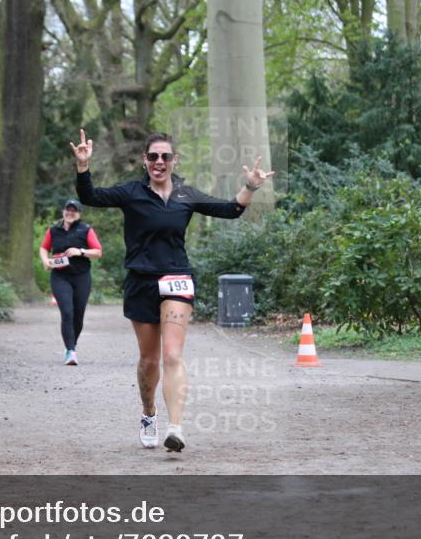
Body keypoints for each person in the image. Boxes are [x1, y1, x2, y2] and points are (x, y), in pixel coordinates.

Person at [69, 129, 274, 451]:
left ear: (174, 160)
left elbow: (231, 209)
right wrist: (83, 166)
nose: (159, 162)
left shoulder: (185, 195)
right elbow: (91, 197)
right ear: (144, 161)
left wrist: (250, 186)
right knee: (149, 360)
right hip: (141, 281)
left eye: (165, 156)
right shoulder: (132, 192)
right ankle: (149, 413)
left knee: (173, 355)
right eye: (153, 157)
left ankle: (176, 427)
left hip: (177, 278)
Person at [39, 198, 103, 365]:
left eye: (74, 211)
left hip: (81, 277)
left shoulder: (86, 230)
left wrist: (79, 251)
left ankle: (71, 344)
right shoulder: (53, 230)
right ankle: (70, 351)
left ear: (79, 214)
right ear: (63, 211)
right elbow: (44, 248)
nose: (70, 213)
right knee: (67, 312)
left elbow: (98, 252)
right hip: (60, 277)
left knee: (78, 316)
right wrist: (45, 261)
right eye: (68, 210)